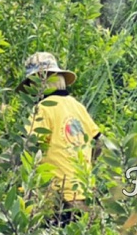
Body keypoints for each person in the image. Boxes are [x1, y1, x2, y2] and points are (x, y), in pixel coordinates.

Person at [20, 52, 101, 220]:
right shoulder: (77, 106)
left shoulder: (42, 109)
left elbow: (29, 149)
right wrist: (88, 166)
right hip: (83, 192)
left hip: (56, 197)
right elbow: (100, 142)